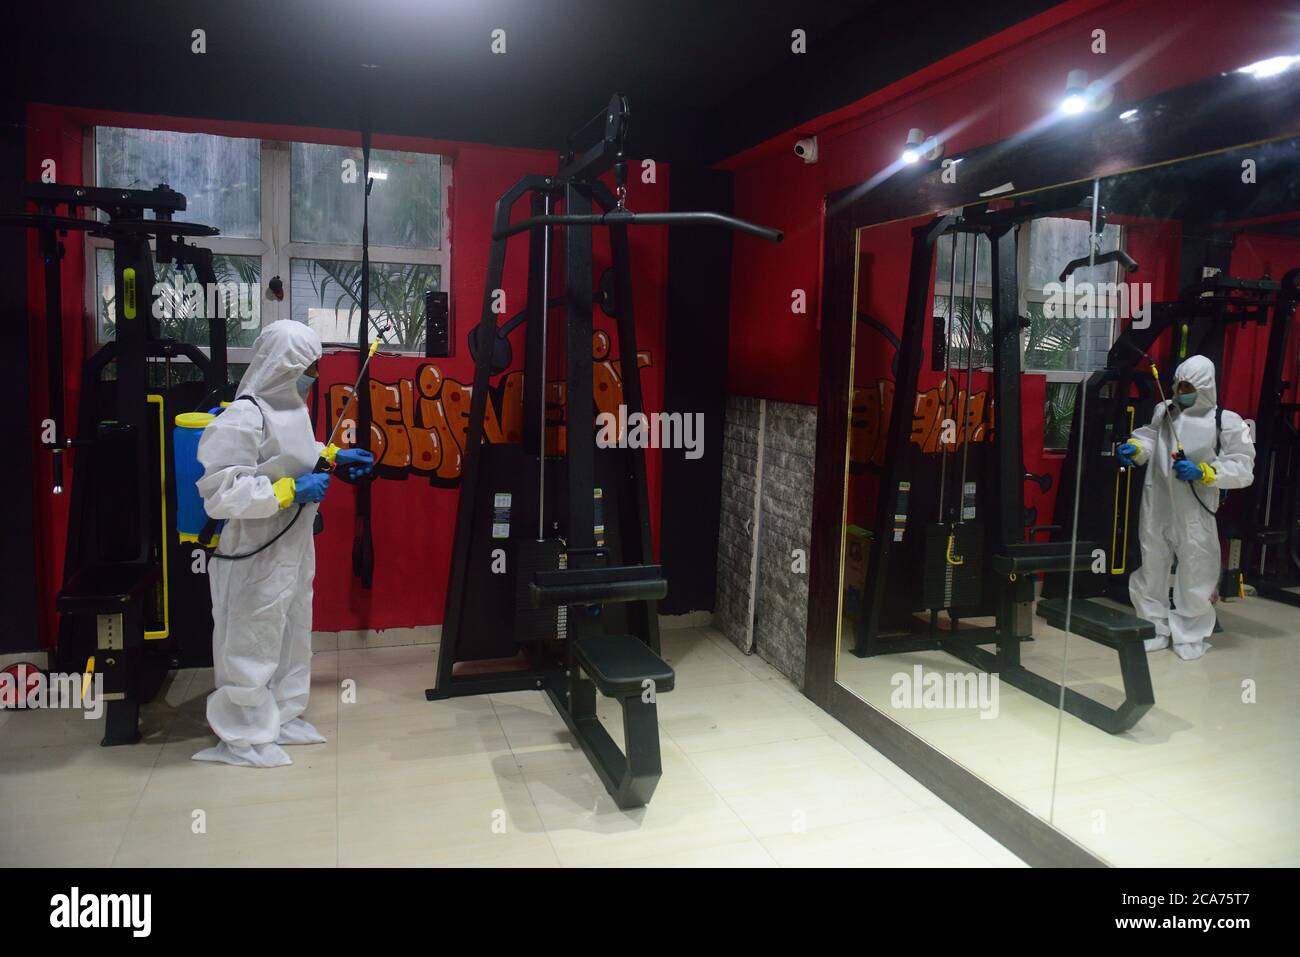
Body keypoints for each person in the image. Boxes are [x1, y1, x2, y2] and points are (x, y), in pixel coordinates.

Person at [193, 320, 374, 767]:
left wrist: (330, 457)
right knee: (251, 635)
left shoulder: (291, 408)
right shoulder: (243, 415)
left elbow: (287, 455)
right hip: (254, 548)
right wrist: (289, 492)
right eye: (307, 365)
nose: (312, 374)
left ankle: (283, 714)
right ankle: (241, 734)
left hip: (293, 543)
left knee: (291, 631)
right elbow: (221, 492)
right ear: (283, 364)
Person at [1116, 354, 1255, 660]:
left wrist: (1207, 473)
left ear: (1205, 386)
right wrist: (1137, 448)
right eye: (1178, 384)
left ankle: (1191, 632)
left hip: (1195, 506)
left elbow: (1244, 467)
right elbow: (1151, 439)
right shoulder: (1164, 411)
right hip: (1157, 502)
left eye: (1188, 386)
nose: (1181, 391)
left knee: (1197, 567)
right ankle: (1152, 626)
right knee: (1152, 563)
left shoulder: (1226, 422)